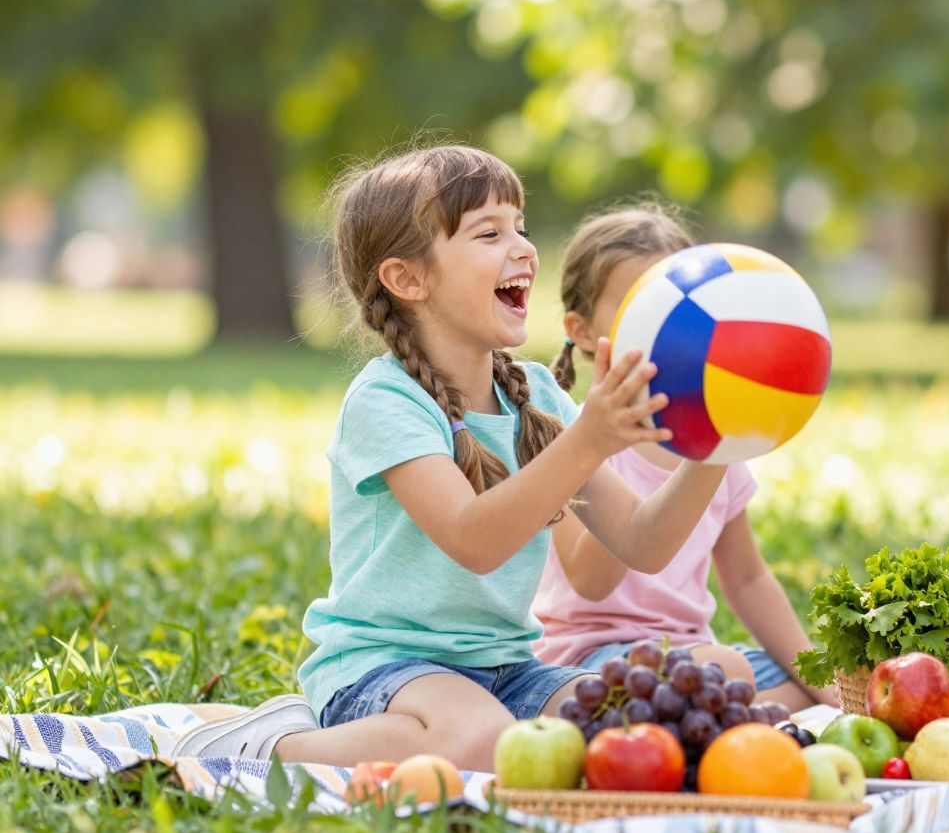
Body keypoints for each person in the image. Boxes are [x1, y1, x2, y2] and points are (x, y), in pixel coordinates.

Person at [170, 145, 727, 769]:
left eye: (520, 226)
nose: (522, 248)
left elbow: (643, 544)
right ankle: (274, 744)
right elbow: (474, 539)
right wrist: (589, 439)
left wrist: (718, 446)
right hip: (383, 668)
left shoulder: (538, 396)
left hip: (508, 668)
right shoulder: (386, 401)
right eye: (489, 233)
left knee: (643, 726)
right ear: (408, 279)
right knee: (484, 742)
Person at [533, 205, 830, 712]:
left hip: (695, 653)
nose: (673, 325)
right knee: (729, 672)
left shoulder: (720, 453)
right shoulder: (569, 442)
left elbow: (748, 578)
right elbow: (588, 579)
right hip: (586, 659)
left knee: (793, 678)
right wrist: (609, 439)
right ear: (582, 332)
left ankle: (711, 717)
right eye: (643, 304)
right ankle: (711, 716)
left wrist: (822, 682)